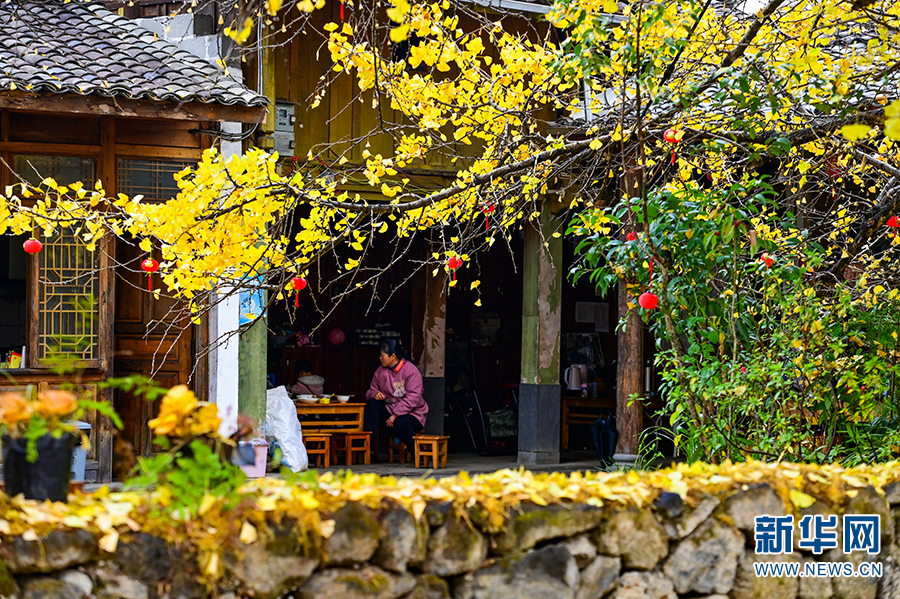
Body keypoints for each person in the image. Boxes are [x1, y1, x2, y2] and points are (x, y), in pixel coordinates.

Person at [365, 339, 428, 461]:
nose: (380, 358)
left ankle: (418, 454)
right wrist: (375, 394)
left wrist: (395, 414)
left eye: (382, 355)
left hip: (413, 414)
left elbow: (413, 398)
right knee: (372, 405)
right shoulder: (380, 371)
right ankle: (370, 448)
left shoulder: (411, 371)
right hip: (390, 412)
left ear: (392, 356)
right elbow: (369, 392)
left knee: (400, 423)